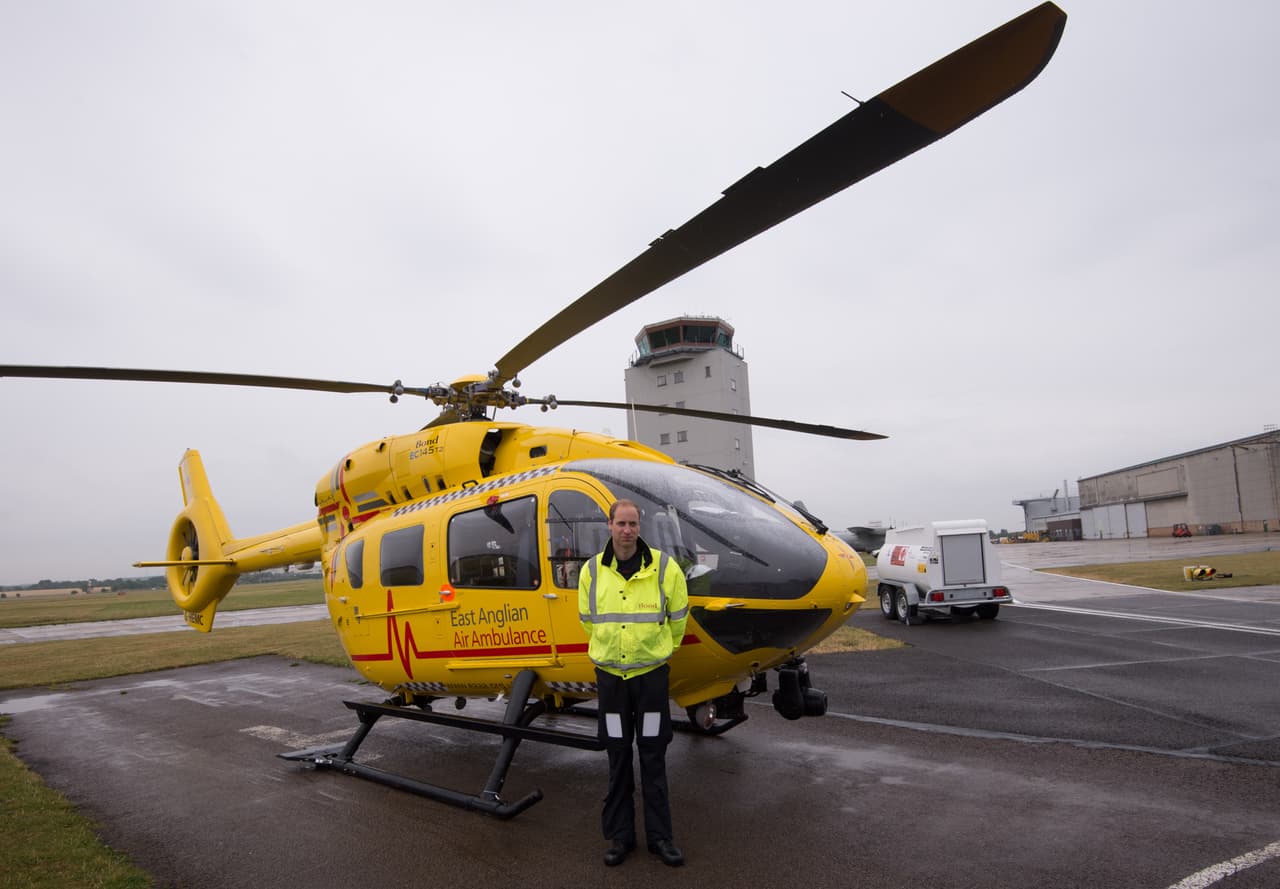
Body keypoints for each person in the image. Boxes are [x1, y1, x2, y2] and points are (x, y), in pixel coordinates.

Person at [578, 499, 689, 867]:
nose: (627, 530)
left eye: (633, 524)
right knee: (618, 756)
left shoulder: (664, 568)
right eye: (621, 523)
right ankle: (619, 837)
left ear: (640, 527)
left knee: (654, 756)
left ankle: (661, 838)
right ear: (608, 525)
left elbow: (678, 619)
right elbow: (588, 621)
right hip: (611, 681)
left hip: (650, 681)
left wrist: (659, 652)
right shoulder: (591, 571)